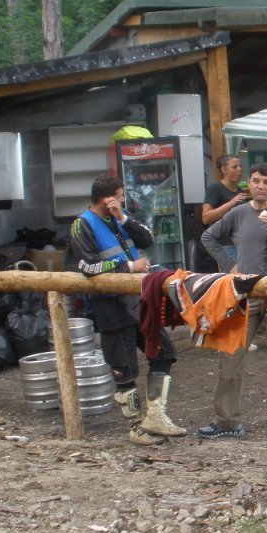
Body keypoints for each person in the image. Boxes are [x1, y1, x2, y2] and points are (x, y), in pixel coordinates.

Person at [68, 174, 185, 446]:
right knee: (124, 368)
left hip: (137, 301)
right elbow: (87, 266)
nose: (123, 201)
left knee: (165, 352)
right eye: (120, 197)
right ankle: (136, 427)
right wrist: (129, 267)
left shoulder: (118, 219)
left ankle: (155, 416)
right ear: (107, 198)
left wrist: (122, 217)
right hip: (110, 305)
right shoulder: (81, 225)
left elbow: (147, 238)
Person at [199, 163, 267, 441]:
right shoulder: (238, 213)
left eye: (266, 181)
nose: (260, 186)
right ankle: (227, 420)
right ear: (249, 184)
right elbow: (208, 236)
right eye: (256, 181)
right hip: (244, 294)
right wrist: (229, 265)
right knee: (230, 354)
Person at [199, 154, 248, 272]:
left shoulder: (239, 190)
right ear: (224, 170)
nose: (239, 170)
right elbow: (206, 217)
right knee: (236, 277)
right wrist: (231, 203)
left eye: (240, 166)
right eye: (234, 167)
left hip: (240, 243)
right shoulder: (215, 188)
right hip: (224, 244)